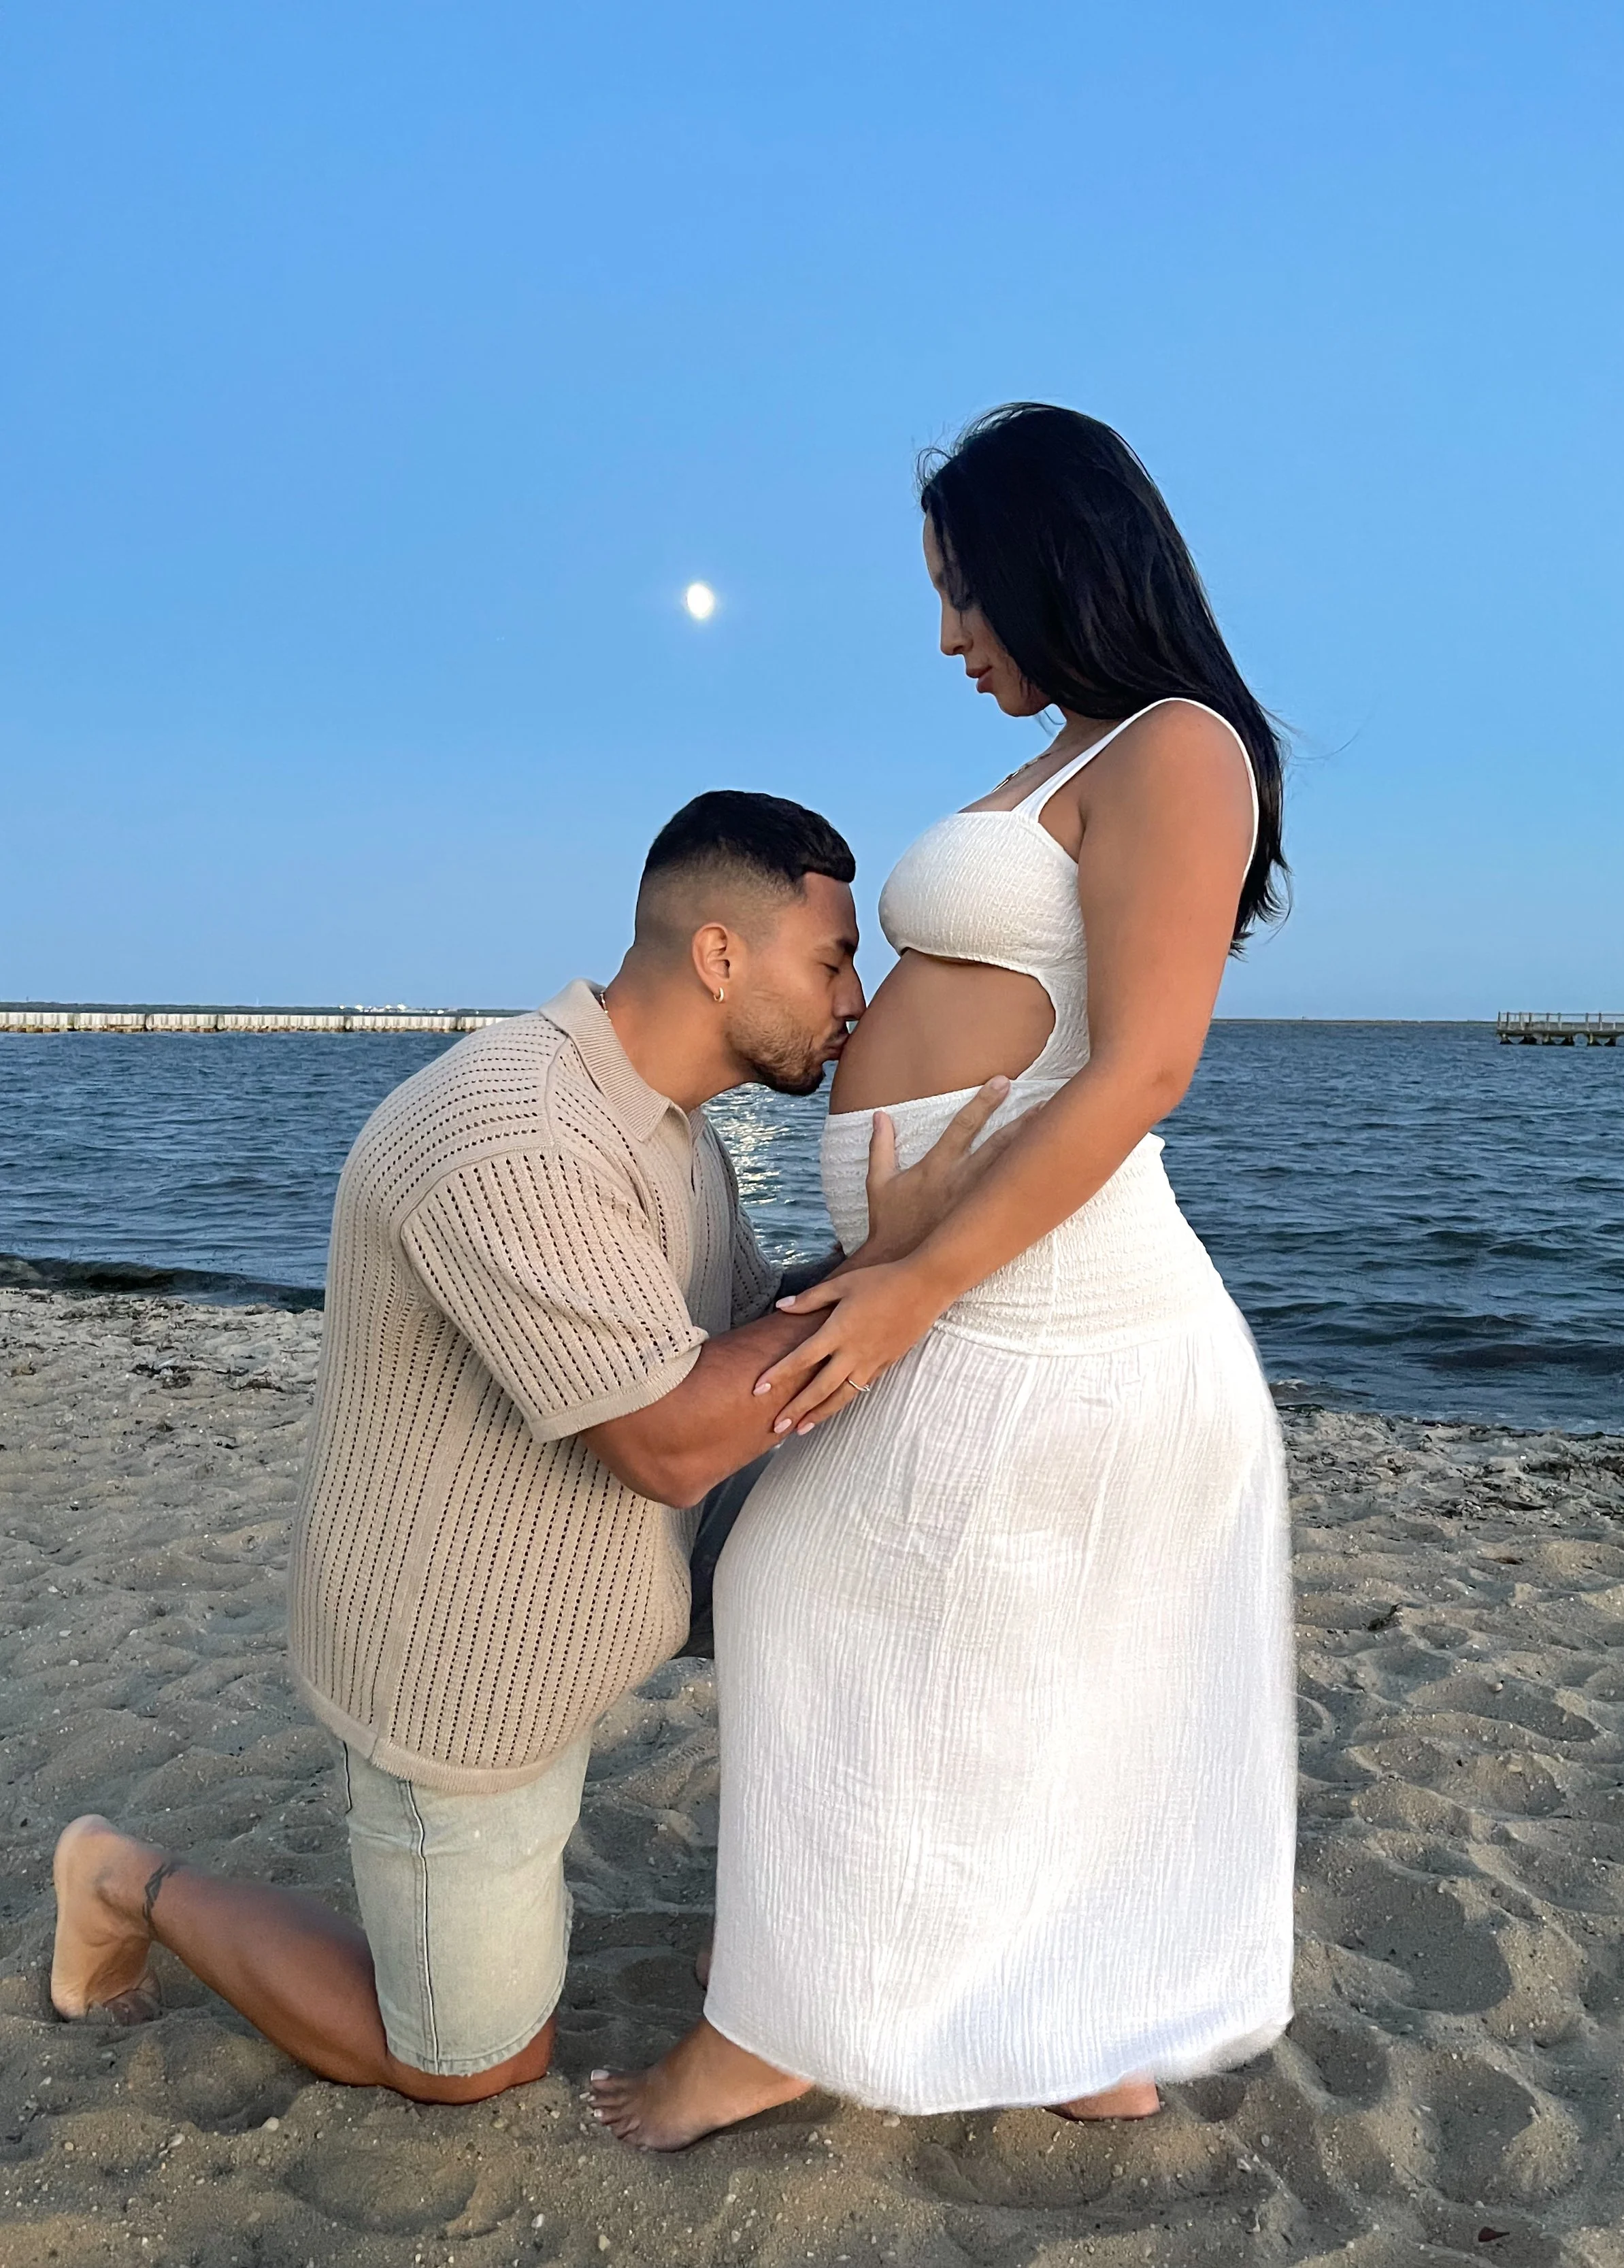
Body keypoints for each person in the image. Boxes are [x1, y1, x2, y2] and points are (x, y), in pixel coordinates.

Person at [49, 790, 1010, 2102]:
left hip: (617, 1578)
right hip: (467, 1657)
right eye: (835, 961)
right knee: (466, 2064)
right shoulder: (514, 1133)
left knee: (910, 1521)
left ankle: (808, 1923)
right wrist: (898, 1267)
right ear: (720, 955)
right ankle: (123, 1877)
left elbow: (743, 1329)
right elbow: (671, 1443)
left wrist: (889, 1257)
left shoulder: (671, 1128)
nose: (856, 1000)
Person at [591, 404, 1297, 2149]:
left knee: (805, 1590)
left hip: (1055, 1302)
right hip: (971, 1278)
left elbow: (1142, 1067)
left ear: (1052, 558)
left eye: (959, 588)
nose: (944, 634)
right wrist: (891, 1247)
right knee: (1013, 1658)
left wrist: (916, 1281)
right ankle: (1075, 2025)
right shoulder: (1075, 756)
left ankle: (770, 2035)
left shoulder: (1177, 747)